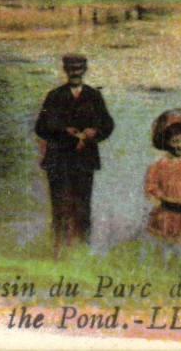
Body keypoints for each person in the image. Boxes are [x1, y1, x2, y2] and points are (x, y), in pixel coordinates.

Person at [33, 53, 114, 253]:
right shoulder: (54, 96)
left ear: (85, 70)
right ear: (65, 70)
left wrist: (93, 133)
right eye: (71, 69)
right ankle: (57, 248)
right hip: (58, 159)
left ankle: (82, 248)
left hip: (84, 160)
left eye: (79, 68)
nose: (75, 72)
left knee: (83, 207)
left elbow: (108, 124)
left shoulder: (94, 96)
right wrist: (64, 131)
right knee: (59, 206)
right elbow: (41, 127)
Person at [144, 109, 181, 254]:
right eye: (175, 141)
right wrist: (163, 199)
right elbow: (151, 187)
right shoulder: (158, 165)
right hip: (165, 213)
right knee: (162, 247)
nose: (180, 145)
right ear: (168, 142)